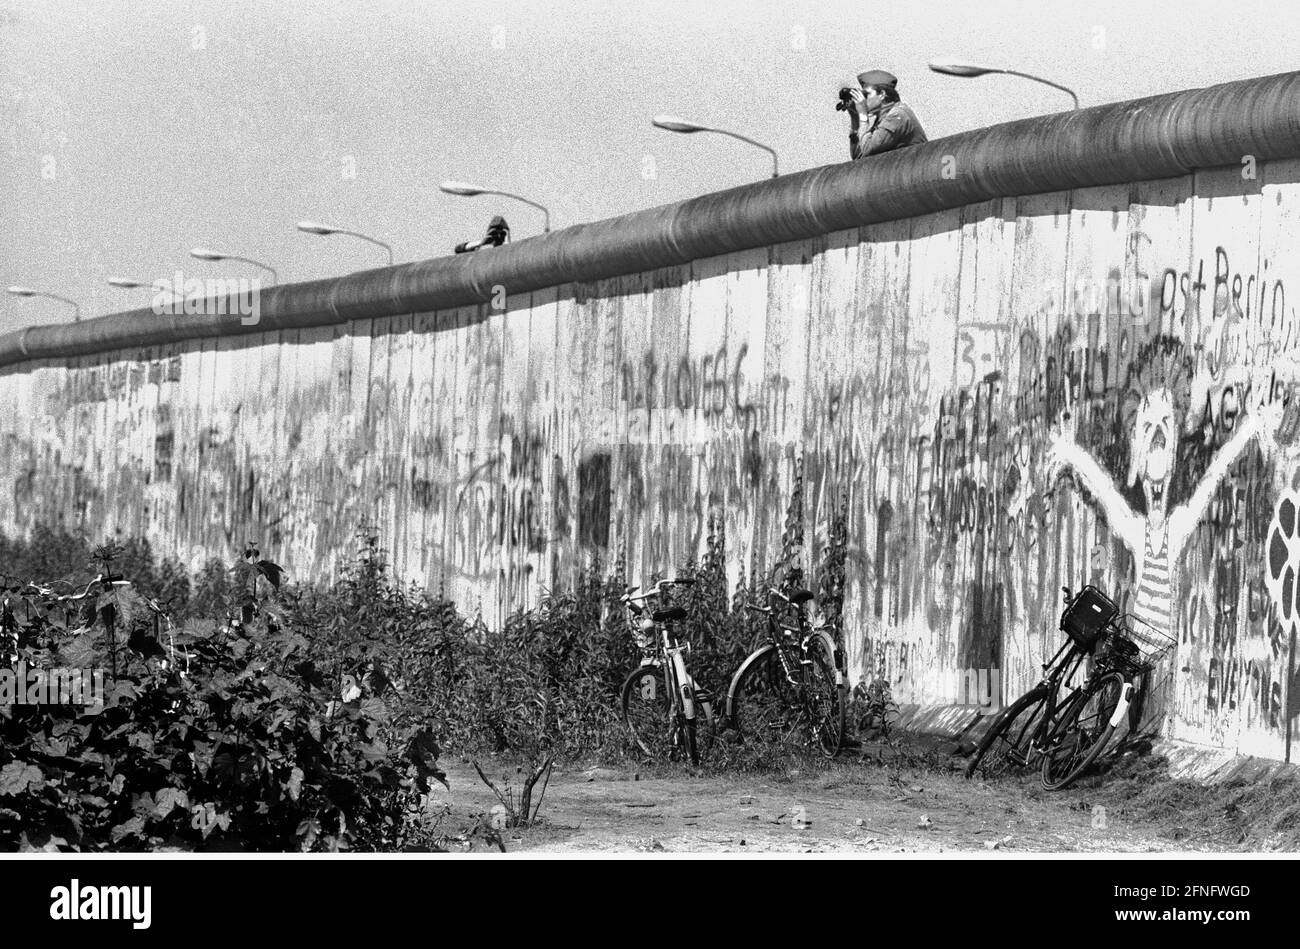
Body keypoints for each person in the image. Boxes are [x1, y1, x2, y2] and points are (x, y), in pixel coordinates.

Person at [845, 69, 928, 160]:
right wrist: (854, 118)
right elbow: (858, 158)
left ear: (882, 94)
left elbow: (868, 149)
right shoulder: (882, 120)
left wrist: (863, 116)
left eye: (866, 94)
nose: (863, 100)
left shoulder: (897, 115)